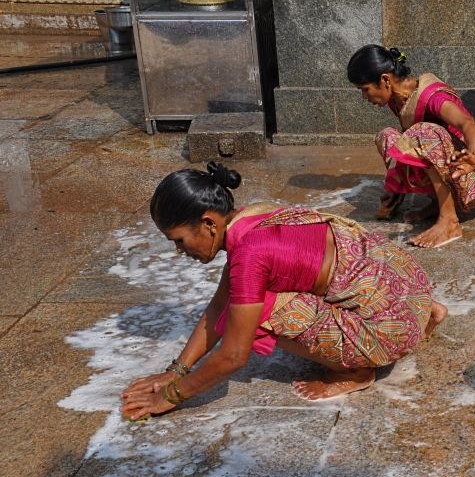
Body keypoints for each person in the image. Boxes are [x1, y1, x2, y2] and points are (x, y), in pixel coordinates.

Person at [120, 163, 447, 420]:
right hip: (411, 287)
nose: (180, 251)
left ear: (208, 224)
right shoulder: (254, 216)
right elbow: (219, 302)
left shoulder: (248, 255)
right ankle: (427, 314)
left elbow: (233, 355)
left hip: (389, 332)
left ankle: (359, 371)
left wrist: (171, 396)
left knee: (255, 314)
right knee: (241, 298)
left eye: (179, 240)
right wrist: (175, 372)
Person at [347, 44, 475, 249]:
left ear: (385, 80)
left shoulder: (432, 97)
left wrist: (474, 156)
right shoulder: (398, 100)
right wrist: (396, 189)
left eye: (365, 89)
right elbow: (410, 149)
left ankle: (449, 222)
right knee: (387, 137)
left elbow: (469, 125)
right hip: (453, 172)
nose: (364, 97)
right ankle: (439, 204)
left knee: (422, 132)